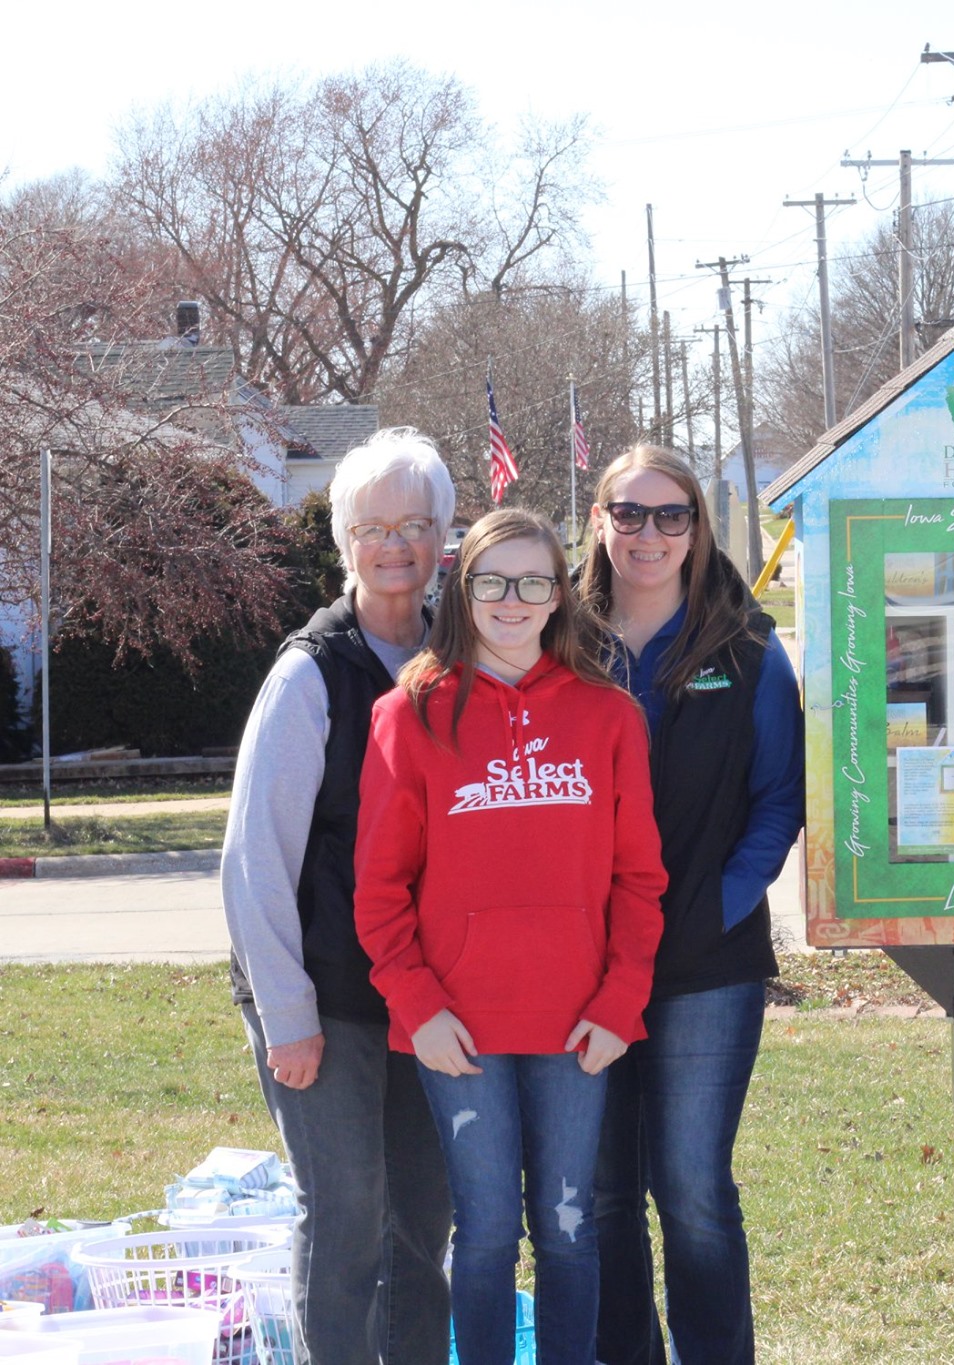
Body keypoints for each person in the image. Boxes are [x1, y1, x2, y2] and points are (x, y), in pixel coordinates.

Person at [354, 508, 667, 1364]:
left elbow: (640, 881)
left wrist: (619, 1003)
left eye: (535, 581)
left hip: (579, 1027)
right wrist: (418, 1007)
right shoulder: (409, 713)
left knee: (569, 1230)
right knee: (486, 1233)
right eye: (493, 580)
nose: (512, 599)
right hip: (458, 1031)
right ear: (463, 587)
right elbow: (379, 890)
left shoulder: (608, 716)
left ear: (561, 595)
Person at [221, 427, 455, 1365]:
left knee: (423, 1225)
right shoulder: (308, 674)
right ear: (344, 542)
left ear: (445, 537)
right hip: (322, 995)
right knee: (350, 1216)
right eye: (372, 526)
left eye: (416, 524)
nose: (394, 545)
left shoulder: (468, 659)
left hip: (431, 1002)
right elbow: (253, 862)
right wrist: (288, 1014)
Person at [580, 447, 803, 1364]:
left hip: (705, 962)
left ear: (698, 528)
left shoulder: (747, 647)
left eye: (672, 516)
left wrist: (717, 905)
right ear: (600, 522)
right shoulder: (559, 641)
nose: (650, 534)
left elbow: (779, 799)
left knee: (691, 1185)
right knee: (598, 1192)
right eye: (630, 514)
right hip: (580, 961)